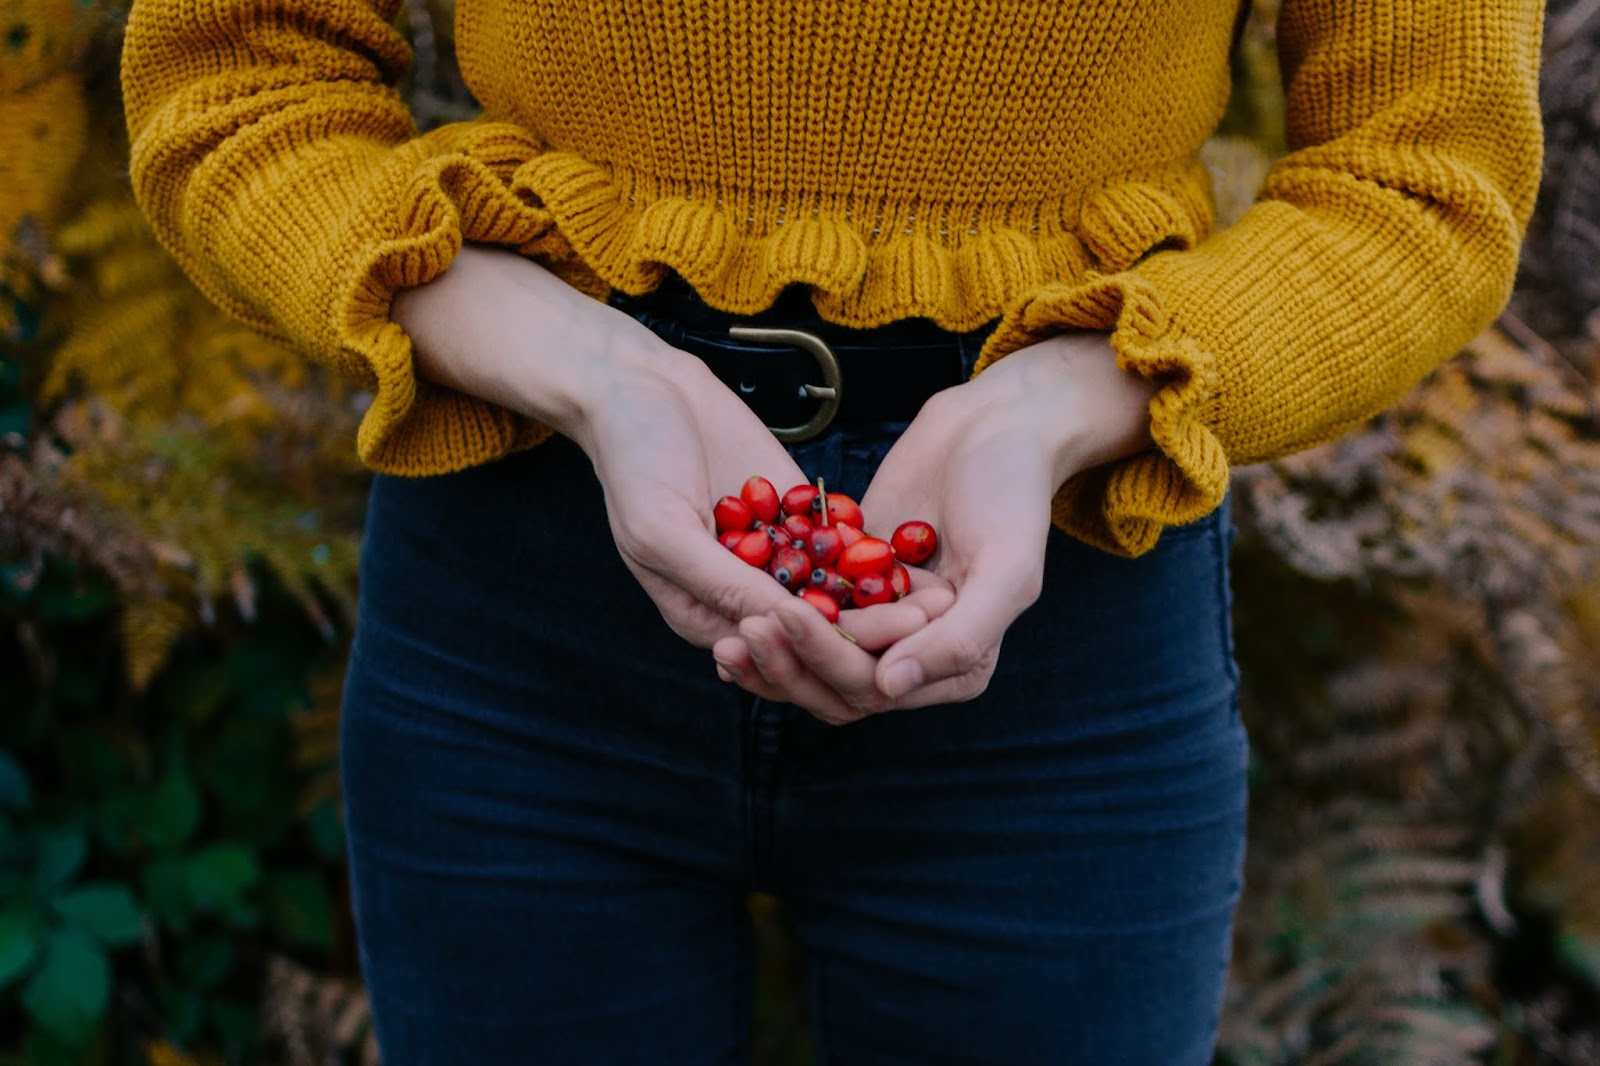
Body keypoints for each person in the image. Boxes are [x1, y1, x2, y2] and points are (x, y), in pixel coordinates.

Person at [120, 1, 1543, 1062]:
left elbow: (1425, 172)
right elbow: (236, 79)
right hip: (521, 591)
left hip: (1064, 621)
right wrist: (597, 372)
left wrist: (1069, 397)